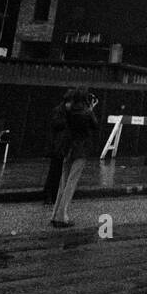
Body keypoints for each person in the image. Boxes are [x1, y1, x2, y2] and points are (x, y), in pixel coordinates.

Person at [51, 89, 99, 228]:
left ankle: (55, 214)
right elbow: (95, 126)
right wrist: (91, 109)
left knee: (63, 181)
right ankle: (62, 216)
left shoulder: (69, 112)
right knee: (71, 183)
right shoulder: (87, 113)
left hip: (68, 148)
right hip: (81, 149)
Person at [42, 91, 73, 206]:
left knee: (57, 172)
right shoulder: (61, 112)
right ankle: (50, 196)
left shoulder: (61, 111)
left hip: (60, 146)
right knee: (55, 172)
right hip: (58, 146)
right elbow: (58, 125)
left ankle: (52, 196)